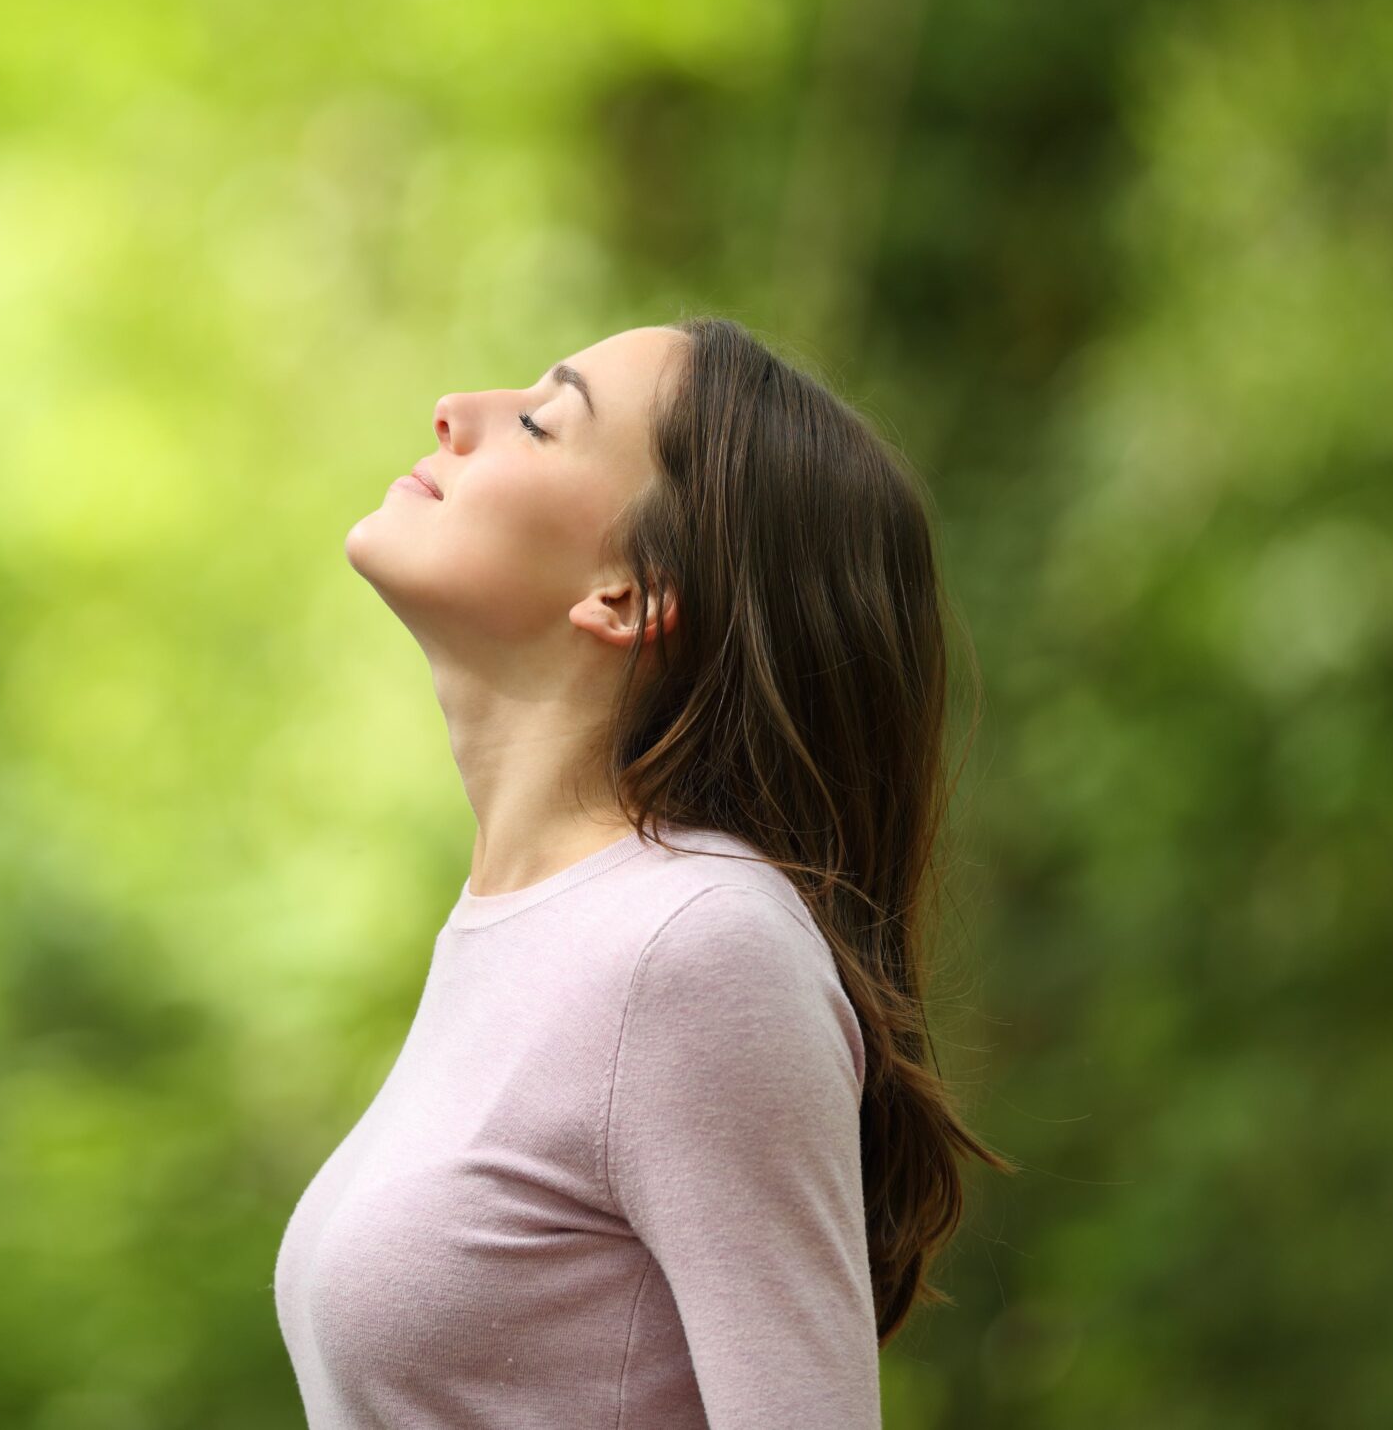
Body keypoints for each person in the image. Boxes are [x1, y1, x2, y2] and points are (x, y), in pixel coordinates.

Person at [274, 316, 1012, 1428]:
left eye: (537, 422)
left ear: (630, 592)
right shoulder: (530, 932)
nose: (452, 413)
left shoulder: (695, 947)